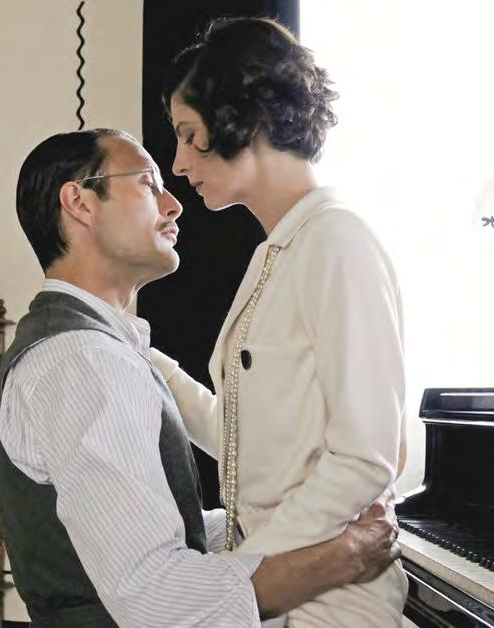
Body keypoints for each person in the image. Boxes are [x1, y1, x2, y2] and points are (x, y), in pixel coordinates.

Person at [0, 128, 401, 627]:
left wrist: (265, 522)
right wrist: (342, 557)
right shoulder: (84, 362)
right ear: (80, 203)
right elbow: (157, 598)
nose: (174, 204)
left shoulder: (85, 348)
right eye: (148, 184)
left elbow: (148, 535)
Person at [154, 17, 409, 626]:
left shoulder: (337, 241)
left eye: (189, 135)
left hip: (330, 602)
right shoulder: (276, 251)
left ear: (244, 119)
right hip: (279, 592)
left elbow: (367, 456)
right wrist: (145, 359)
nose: (179, 163)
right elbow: (245, 444)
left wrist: (244, 571)